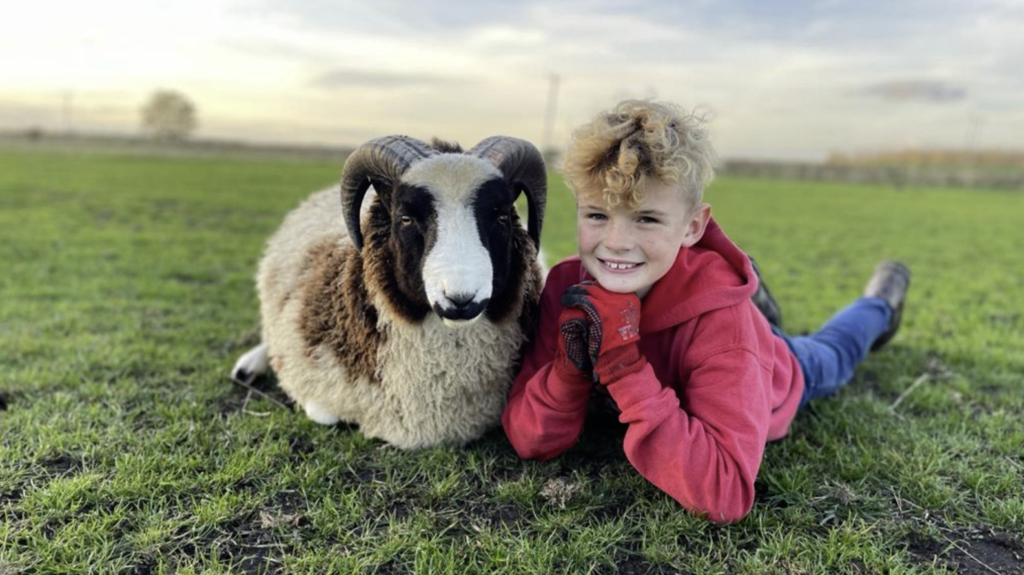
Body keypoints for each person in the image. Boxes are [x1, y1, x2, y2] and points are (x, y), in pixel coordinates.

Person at [501, 99, 911, 524]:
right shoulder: (570, 287)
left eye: (647, 219)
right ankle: (751, 290)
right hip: (716, 340)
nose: (616, 241)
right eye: (598, 215)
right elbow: (528, 438)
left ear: (693, 226)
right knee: (748, 324)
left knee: (833, 351)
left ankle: (879, 302)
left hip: (776, 367)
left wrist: (622, 365)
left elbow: (726, 492)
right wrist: (568, 372)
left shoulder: (723, 323)